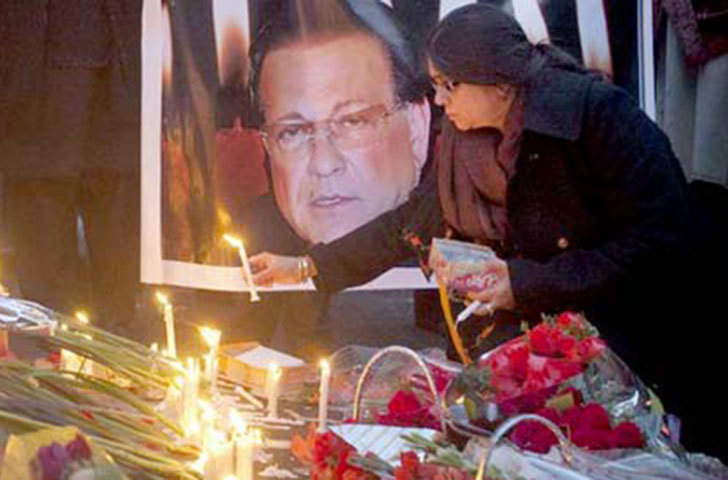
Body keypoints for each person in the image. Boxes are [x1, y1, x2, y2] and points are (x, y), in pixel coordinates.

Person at [249, 4, 725, 458]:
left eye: (448, 85)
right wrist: (309, 264)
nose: (438, 100)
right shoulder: (464, 141)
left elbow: (659, 241)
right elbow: (408, 224)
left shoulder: (598, 118)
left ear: (498, 81)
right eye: (435, 85)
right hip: (551, 364)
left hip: (646, 349)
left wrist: (522, 282)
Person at [210, 0, 436, 359]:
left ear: (418, 126)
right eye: (293, 132)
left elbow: (396, 231)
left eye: (353, 122)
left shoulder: (455, 190)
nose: (324, 163)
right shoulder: (253, 226)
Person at [0, 0, 142, 335]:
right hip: (33, 62)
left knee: (117, 213)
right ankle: (56, 348)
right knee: (43, 216)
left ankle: (120, 352)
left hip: (121, 59)